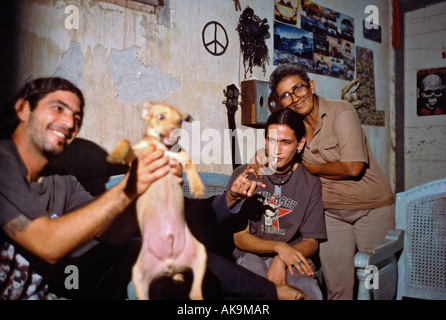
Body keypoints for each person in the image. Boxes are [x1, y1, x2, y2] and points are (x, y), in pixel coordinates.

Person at [0, 77, 304, 300]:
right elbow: (49, 245)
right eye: (58, 108)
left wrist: (147, 186)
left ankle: (272, 294)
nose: (69, 121)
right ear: (23, 108)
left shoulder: (62, 181)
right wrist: (129, 189)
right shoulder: (3, 162)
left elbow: (108, 237)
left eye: (76, 116)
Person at [265, 63, 395, 300]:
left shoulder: (341, 111)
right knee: (337, 287)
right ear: (280, 102)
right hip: (332, 214)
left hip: (372, 208)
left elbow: (353, 167)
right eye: (285, 95)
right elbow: (278, 150)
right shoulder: (295, 128)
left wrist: (311, 167)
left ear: (311, 87)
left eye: (298, 88)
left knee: (376, 285)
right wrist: (258, 157)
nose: (294, 98)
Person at [227, 108, 327, 300]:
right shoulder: (244, 175)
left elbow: (311, 242)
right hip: (250, 254)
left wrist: (282, 257)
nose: (277, 150)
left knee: (307, 290)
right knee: (258, 289)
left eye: (286, 142)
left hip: (294, 253)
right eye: (272, 141)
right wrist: (278, 248)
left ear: (300, 143)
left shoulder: (310, 182)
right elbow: (240, 238)